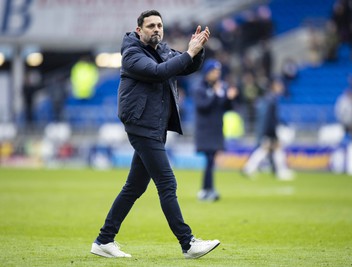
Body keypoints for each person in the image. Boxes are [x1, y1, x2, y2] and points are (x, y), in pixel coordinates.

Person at [90, 10, 220, 259]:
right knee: (167, 183)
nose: (156, 29)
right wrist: (188, 53)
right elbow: (160, 72)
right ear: (139, 30)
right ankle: (188, 243)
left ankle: (104, 240)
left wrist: (197, 48)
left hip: (155, 126)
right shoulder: (132, 54)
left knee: (133, 187)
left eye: (159, 25)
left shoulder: (161, 49)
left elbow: (186, 65)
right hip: (142, 126)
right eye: (151, 26)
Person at [193, 59, 239, 202]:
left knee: (211, 160)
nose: (216, 74)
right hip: (205, 130)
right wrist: (216, 93)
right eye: (213, 71)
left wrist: (229, 98)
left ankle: (207, 189)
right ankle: (207, 190)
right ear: (206, 73)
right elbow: (203, 106)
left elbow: (227, 108)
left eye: (218, 72)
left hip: (217, 129)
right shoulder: (199, 87)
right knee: (209, 159)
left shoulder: (221, 87)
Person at [241, 78, 293, 180]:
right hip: (269, 130)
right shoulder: (271, 100)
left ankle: (250, 168)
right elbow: (270, 118)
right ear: (274, 86)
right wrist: (272, 131)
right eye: (279, 85)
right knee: (268, 150)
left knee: (266, 150)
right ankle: (280, 172)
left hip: (268, 129)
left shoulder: (270, 98)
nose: (281, 88)